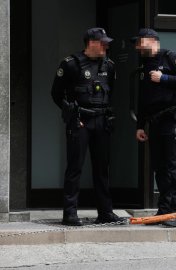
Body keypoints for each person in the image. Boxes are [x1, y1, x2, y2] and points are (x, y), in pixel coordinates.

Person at [51, 27, 124, 226]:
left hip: (101, 121)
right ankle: (70, 213)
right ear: (91, 43)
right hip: (80, 121)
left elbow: (111, 93)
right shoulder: (71, 64)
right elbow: (56, 94)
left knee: (102, 169)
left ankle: (105, 212)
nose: (107, 46)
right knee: (75, 168)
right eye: (103, 43)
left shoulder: (109, 65)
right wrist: (71, 113)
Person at [132, 28, 176, 227]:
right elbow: (143, 99)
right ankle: (165, 211)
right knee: (159, 169)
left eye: (139, 42)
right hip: (154, 123)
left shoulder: (170, 57)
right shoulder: (144, 64)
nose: (137, 47)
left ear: (150, 41)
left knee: (175, 168)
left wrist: (164, 78)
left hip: (172, 121)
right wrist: (140, 125)